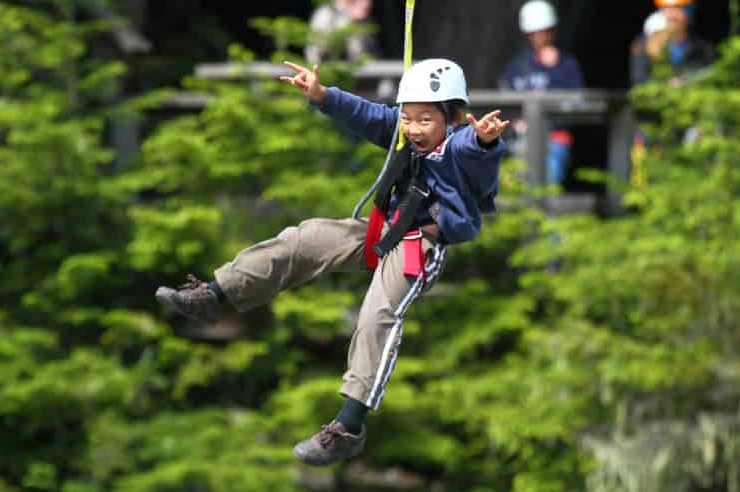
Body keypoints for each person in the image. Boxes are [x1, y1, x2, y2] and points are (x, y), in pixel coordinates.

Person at [154, 58, 509, 466]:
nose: (413, 129)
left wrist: (484, 140)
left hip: (418, 247)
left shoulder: (461, 146)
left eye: (426, 120)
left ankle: (349, 426)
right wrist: (322, 95)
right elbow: (367, 114)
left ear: (454, 118)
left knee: (377, 314)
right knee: (305, 238)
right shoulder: (402, 133)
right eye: (408, 118)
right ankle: (215, 295)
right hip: (383, 231)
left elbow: (476, 153)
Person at [499, 0, 584, 184]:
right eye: (535, 32)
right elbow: (504, 99)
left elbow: (577, 101)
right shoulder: (517, 66)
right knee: (516, 187)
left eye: (545, 31)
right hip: (520, 140)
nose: (540, 36)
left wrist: (554, 69)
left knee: (548, 186)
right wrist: (515, 121)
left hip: (555, 138)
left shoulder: (567, 65)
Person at [629, 0, 716, 87]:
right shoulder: (643, 44)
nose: (671, 15)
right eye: (666, 8)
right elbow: (639, 82)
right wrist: (666, 86)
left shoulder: (704, 48)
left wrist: (683, 82)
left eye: (677, 8)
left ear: (690, 9)